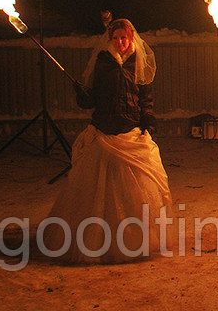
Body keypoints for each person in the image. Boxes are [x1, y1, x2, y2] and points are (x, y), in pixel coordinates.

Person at [43, 18, 172, 263]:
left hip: (131, 130)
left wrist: (148, 117)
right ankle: (95, 239)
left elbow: (145, 97)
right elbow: (90, 100)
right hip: (104, 130)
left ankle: (137, 239)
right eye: (115, 38)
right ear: (110, 40)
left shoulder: (138, 62)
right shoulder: (102, 62)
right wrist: (82, 94)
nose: (120, 42)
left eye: (124, 38)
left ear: (131, 38)